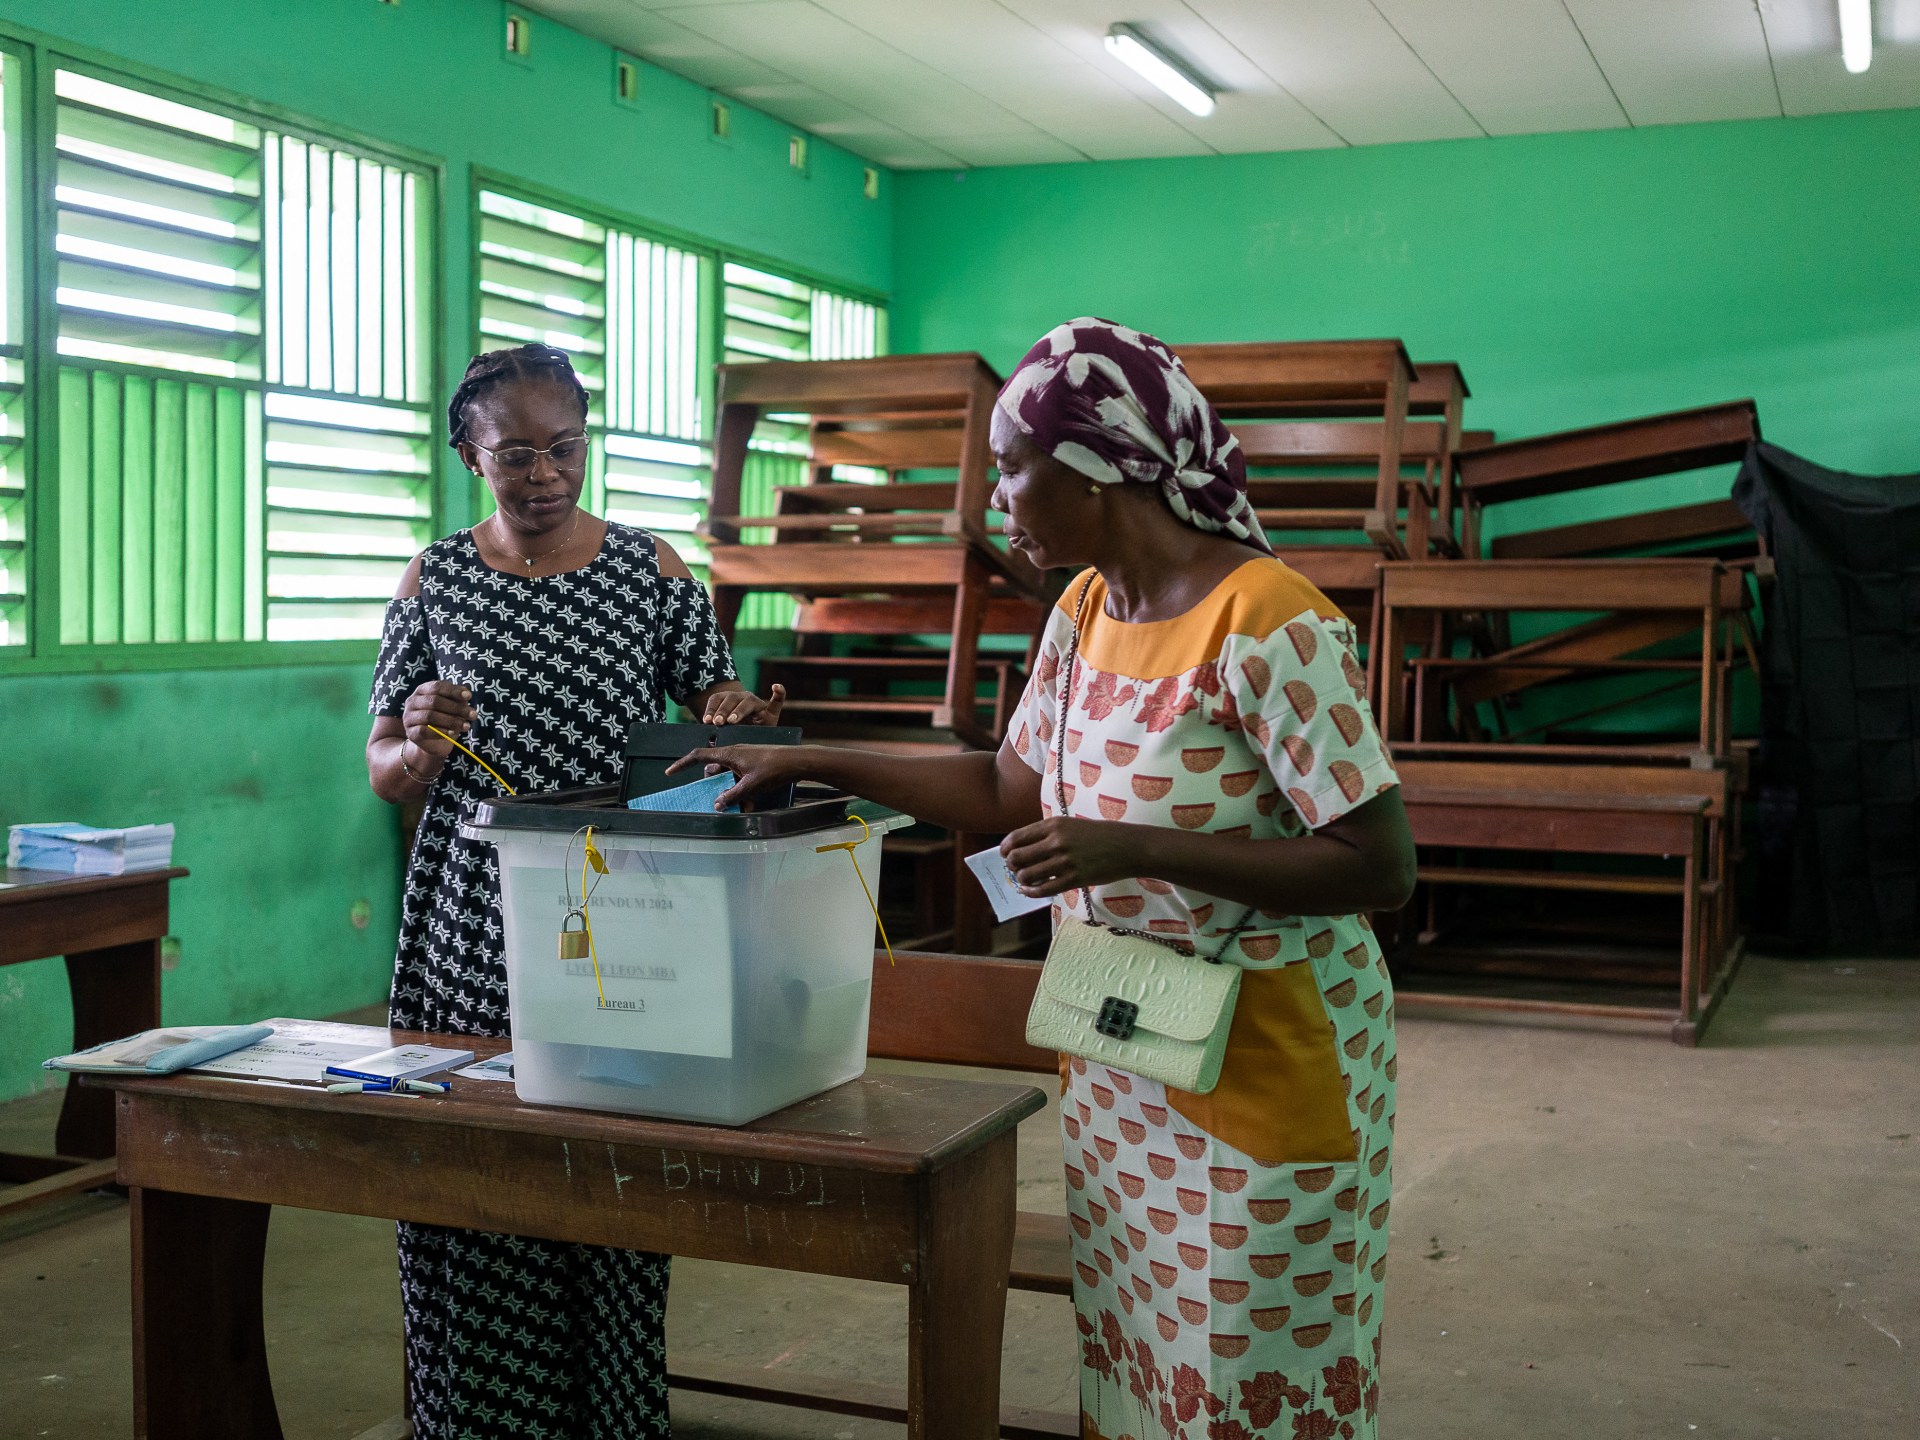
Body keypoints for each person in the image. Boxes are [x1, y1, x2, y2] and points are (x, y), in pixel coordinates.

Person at [674, 319, 1417, 1440]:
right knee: (1132, 1349)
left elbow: (1381, 865)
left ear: (1101, 469)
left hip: (1265, 1057)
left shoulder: (1270, 623)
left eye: (1013, 468)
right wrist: (813, 753)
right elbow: (1011, 789)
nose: (997, 499)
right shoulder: (1080, 614)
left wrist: (1138, 848)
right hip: (1127, 1051)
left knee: (1250, 1365)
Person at [365, 342, 784, 1440]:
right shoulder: (434, 576)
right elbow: (382, 764)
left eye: (564, 450)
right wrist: (418, 744)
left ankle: (611, 1414)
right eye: (516, 454)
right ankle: (473, 1420)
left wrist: (734, 713)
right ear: (470, 455)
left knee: (611, 1150)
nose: (544, 474)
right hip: (471, 906)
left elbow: (714, 699)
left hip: (622, 899)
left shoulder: (652, 569)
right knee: (468, 1154)